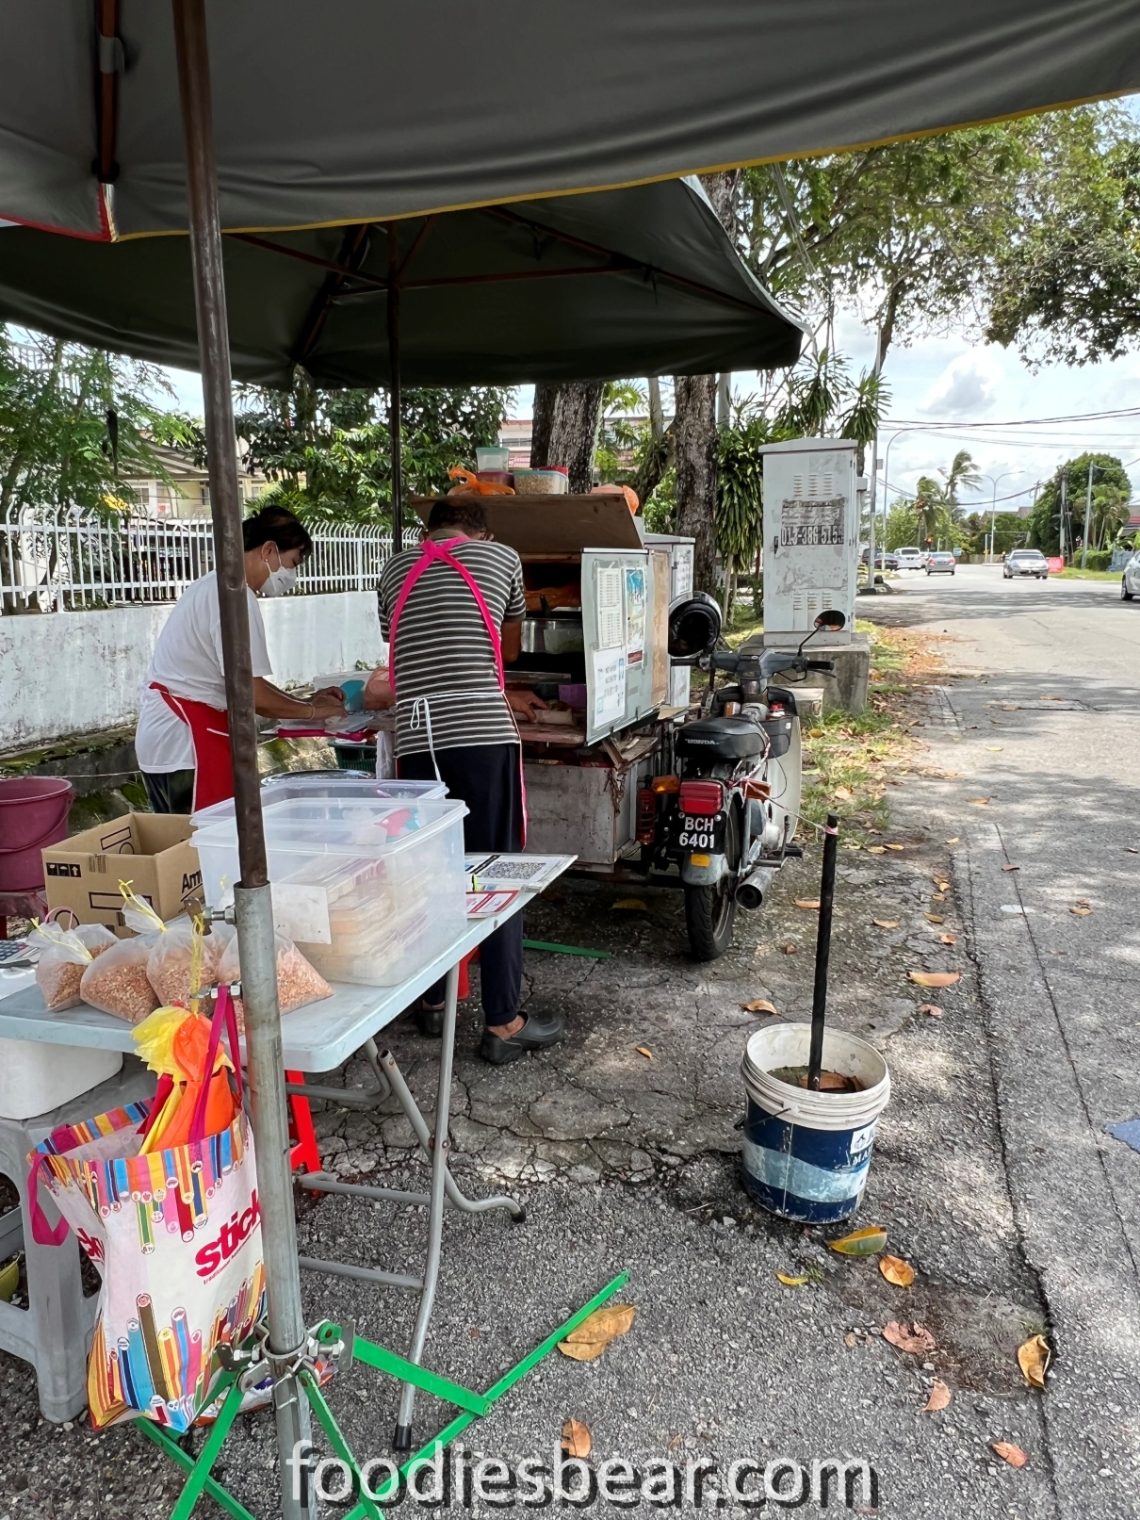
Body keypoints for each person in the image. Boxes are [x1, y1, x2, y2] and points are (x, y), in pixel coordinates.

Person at [376, 495, 565, 1065]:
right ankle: (503, 1021)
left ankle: (434, 1002)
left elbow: (399, 647)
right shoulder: (502, 559)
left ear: (428, 532)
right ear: (480, 534)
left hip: (416, 738)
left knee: (430, 871)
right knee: (496, 868)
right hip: (481, 733)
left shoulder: (392, 570)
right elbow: (503, 650)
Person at [136, 506, 345, 814]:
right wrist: (313, 712)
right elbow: (252, 695)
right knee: (199, 851)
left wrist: (305, 703)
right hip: (185, 742)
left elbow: (251, 682)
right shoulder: (234, 594)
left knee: (190, 851)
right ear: (269, 551)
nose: (292, 575)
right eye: (292, 563)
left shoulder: (217, 584)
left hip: (177, 736)